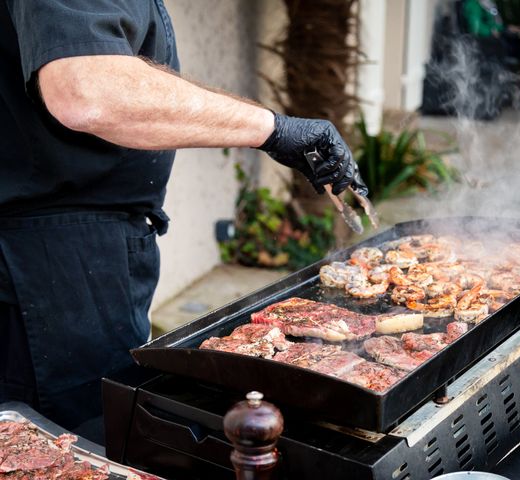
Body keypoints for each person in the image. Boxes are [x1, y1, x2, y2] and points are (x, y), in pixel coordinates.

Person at [0, 0, 368, 433]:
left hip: (79, 259)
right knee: (75, 443)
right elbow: (85, 90)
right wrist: (274, 130)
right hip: (49, 273)